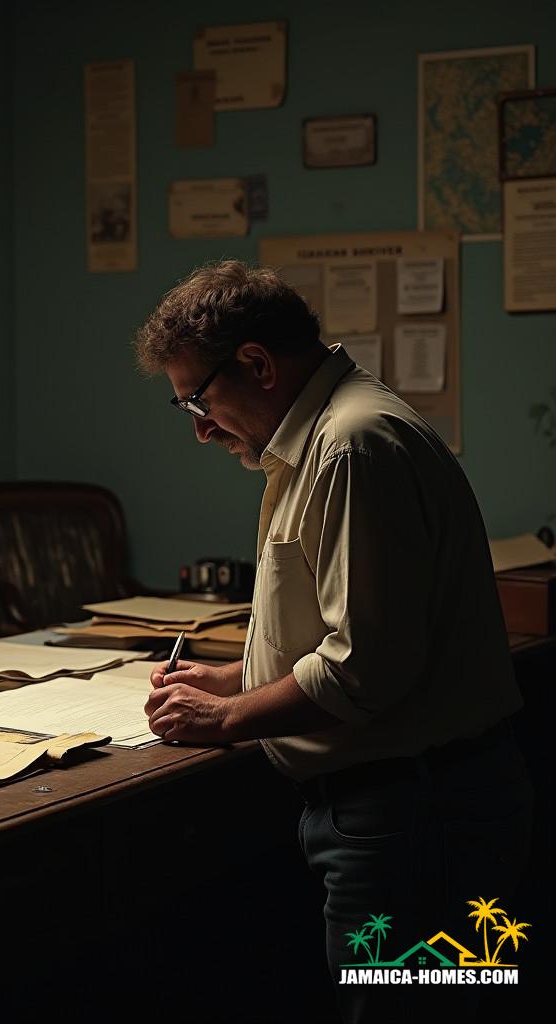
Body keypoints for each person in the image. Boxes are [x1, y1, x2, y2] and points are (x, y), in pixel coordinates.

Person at [135, 260, 532, 1021]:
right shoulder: (324, 435)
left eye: (199, 399)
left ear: (256, 364)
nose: (200, 429)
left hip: (415, 810)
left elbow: (364, 670)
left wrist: (227, 720)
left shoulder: (352, 445)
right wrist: (235, 679)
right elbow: (345, 634)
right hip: (412, 803)